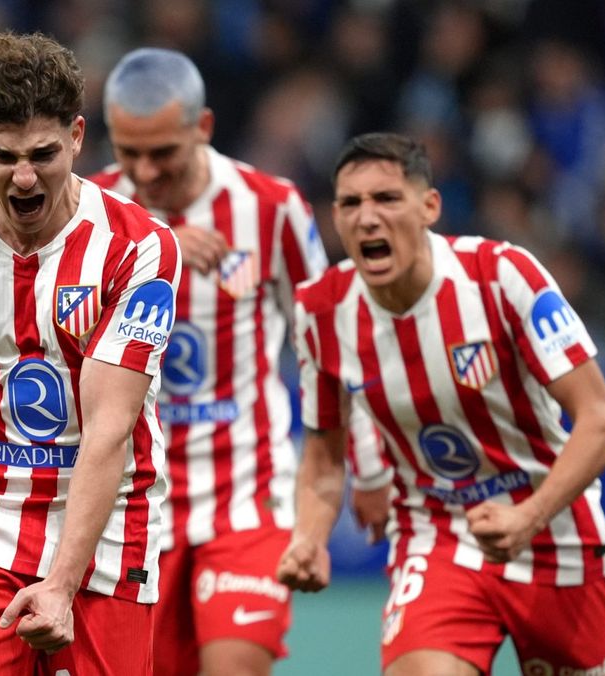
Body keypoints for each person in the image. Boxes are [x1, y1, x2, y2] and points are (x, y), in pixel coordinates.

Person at [277, 132, 605, 676]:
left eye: (386, 198)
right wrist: (309, 536)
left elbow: (601, 421)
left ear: (429, 206)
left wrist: (529, 515)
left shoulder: (502, 276)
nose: (367, 218)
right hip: (437, 536)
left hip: (555, 534)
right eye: (350, 203)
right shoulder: (321, 311)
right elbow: (324, 455)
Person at [0, 32, 181, 675]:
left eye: (43, 154)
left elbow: (110, 428)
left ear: (77, 137)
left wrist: (61, 584)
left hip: (108, 531)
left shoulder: (138, 249)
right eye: (3, 156)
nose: (23, 178)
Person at [88, 48, 387, 676]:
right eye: (129, 152)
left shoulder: (271, 206)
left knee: (234, 665)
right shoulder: (93, 211)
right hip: (132, 500)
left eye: (162, 152)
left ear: (203, 127)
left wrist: (366, 462)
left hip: (247, 492)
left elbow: (324, 339)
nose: (144, 171)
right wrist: (156, 243)